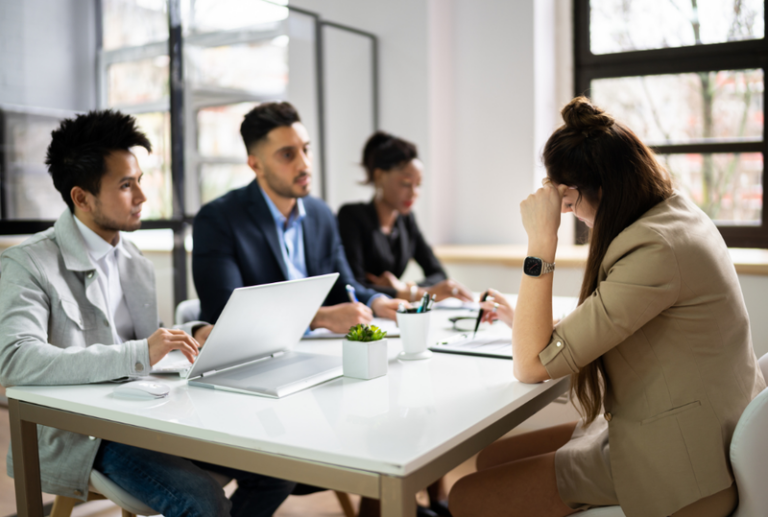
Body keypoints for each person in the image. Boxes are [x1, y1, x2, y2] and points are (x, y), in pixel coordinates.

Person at [448, 97, 766, 517]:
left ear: (588, 190)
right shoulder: (673, 216)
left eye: (567, 201)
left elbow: (530, 365)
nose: (568, 213)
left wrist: (541, 243)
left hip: (682, 466)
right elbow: (618, 314)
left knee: (465, 496)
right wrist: (522, 319)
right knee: (492, 459)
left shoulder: (654, 250)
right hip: (697, 430)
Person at [0, 110, 295, 517]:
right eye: (125, 185)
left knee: (276, 469)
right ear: (81, 197)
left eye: (139, 181)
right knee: (202, 502)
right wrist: (139, 352)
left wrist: (196, 332)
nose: (141, 197)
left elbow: (146, 338)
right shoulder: (28, 264)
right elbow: (14, 361)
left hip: (146, 414)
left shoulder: (133, 260)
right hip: (87, 435)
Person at [193, 102, 404, 332]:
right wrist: (318, 318)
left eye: (306, 149)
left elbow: (344, 285)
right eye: (287, 155)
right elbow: (223, 312)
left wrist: (377, 302)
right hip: (254, 359)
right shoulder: (218, 219)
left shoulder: (321, 213)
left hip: (316, 351)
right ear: (256, 165)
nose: (304, 164)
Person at [337, 131, 472, 304]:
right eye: (406, 183)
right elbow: (354, 287)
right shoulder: (352, 217)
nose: (414, 193)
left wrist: (403, 288)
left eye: (418, 185)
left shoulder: (406, 221)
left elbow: (438, 274)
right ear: (379, 176)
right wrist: (412, 293)